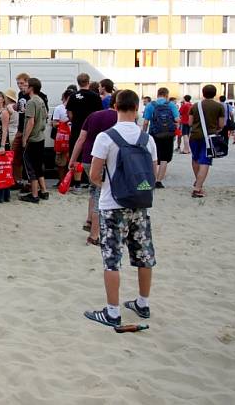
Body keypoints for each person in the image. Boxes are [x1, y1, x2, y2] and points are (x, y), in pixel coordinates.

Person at [84, 89, 157, 327]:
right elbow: (153, 175)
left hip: (112, 205)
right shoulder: (147, 139)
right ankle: (143, 303)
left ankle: (113, 311)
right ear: (137, 108)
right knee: (144, 256)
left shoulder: (106, 137)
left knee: (112, 259)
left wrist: (110, 186)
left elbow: (94, 174)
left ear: (115, 106)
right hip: (139, 204)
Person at [69, 91, 119, 246]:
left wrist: (72, 159)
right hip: (104, 159)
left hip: (87, 158)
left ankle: (90, 219)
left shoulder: (93, 116)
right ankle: (94, 235)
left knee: (93, 190)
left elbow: (81, 139)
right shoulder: (120, 118)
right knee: (101, 195)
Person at [188, 85, 226, 198]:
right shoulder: (219, 106)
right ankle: (197, 188)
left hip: (194, 136)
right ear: (215, 93)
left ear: (203, 93)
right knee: (205, 161)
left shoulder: (195, 106)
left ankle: (198, 181)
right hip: (209, 137)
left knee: (195, 159)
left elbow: (190, 123)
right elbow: (221, 124)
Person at [142, 87, 180, 189]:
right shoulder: (171, 105)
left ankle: (152, 179)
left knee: (153, 157)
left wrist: (143, 134)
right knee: (164, 158)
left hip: (154, 135)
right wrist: (174, 130)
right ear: (167, 95)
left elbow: (145, 122)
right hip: (168, 135)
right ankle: (159, 181)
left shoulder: (151, 105)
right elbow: (177, 119)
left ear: (157, 94)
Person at [67, 73, 103, 179]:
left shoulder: (73, 96)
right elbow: (99, 113)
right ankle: (90, 178)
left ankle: (77, 182)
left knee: (76, 153)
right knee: (92, 152)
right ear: (89, 81)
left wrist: (74, 120)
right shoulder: (95, 96)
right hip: (92, 129)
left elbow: (69, 113)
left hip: (77, 128)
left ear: (78, 82)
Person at [20, 78, 49, 204]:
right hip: (40, 137)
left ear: (31, 88)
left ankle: (34, 194)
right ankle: (43, 191)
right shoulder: (41, 100)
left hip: (33, 138)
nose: (24, 88)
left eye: (26, 86)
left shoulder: (31, 102)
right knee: (38, 166)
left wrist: (25, 138)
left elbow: (30, 121)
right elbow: (46, 115)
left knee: (30, 166)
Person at [51, 90, 71, 183]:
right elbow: (54, 123)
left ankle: (70, 181)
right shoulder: (59, 108)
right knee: (60, 161)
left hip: (73, 137)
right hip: (62, 139)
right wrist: (64, 124)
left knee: (70, 160)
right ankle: (62, 180)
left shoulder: (76, 108)